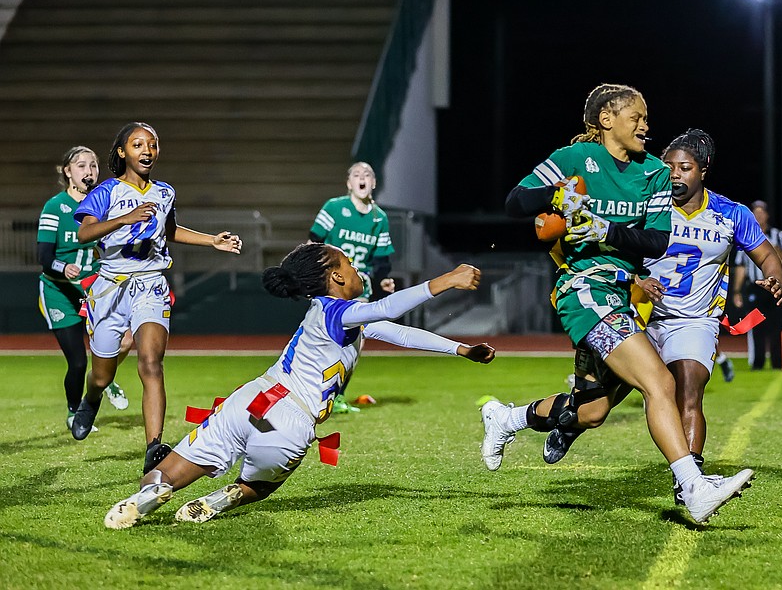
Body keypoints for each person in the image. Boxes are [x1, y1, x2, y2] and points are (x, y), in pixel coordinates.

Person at [491, 85, 755, 524]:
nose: (646, 125)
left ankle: (507, 418)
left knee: (593, 411)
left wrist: (603, 228)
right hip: (584, 289)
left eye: (646, 118)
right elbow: (515, 202)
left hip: (622, 294)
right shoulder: (574, 159)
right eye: (638, 117)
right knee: (660, 383)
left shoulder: (653, 171)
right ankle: (692, 487)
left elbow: (657, 240)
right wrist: (557, 195)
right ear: (607, 119)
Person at [103, 242, 494, 529]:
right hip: (289, 422)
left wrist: (460, 348)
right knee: (260, 486)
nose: (356, 269)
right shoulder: (341, 313)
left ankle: (151, 492)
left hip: (252, 400)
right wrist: (447, 280)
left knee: (166, 471)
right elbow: (386, 309)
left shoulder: (328, 313)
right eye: (350, 264)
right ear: (336, 277)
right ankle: (228, 497)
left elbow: (400, 332)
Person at [538, 129, 782, 506]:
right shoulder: (646, 202)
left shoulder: (731, 213)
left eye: (684, 167)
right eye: (668, 166)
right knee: (594, 406)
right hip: (637, 312)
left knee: (688, 389)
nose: (674, 174)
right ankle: (549, 422)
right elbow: (608, 244)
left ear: (703, 171)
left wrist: (774, 277)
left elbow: (766, 255)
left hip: (694, 320)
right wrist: (633, 276)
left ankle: (690, 483)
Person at [70, 122, 243, 475]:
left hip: (150, 284)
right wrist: (125, 218)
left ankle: (154, 448)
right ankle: (92, 398)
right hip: (110, 288)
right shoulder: (106, 191)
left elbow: (169, 231)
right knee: (101, 375)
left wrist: (211, 241)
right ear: (122, 152)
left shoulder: (165, 192)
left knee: (151, 362)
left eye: (152, 144)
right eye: (137, 144)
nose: (147, 150)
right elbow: (84, 233)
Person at [37, 146, 133, 431]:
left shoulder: (103, 205)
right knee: (78, 362)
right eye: (81, 165)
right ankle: (74, 412)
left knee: (125, 341)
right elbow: (44, 256)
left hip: (94, 289)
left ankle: (105, 378)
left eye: (93, 165)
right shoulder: (55, 206)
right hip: (59, 291)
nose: (88, 171)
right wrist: (63, 267)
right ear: (68, 171)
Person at [309, 162, 395, 413]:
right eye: (356, 175)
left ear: (373, 183)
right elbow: (313, 241)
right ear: (349, 183)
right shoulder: (334, 208)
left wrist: (383, 279)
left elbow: (381, 258)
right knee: (323, 338)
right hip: (330, 282)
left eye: (367, 175)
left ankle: (337, 397)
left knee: (355, 341)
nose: (362, 178)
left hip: (360, 285)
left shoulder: (379, 218)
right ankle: (313, 391)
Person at [733, 200, 782, 369]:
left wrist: (774, 250)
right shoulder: (745, 235)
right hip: (755, 287)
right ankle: (757, 363)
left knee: (776, 326)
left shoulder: (777, 235)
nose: (759, 216)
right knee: (755, 326)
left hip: (774, 287)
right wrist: (737, 291)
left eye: (761, 212)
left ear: (767, 215)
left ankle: (777, 363)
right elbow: (741, 266)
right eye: (755, 213)